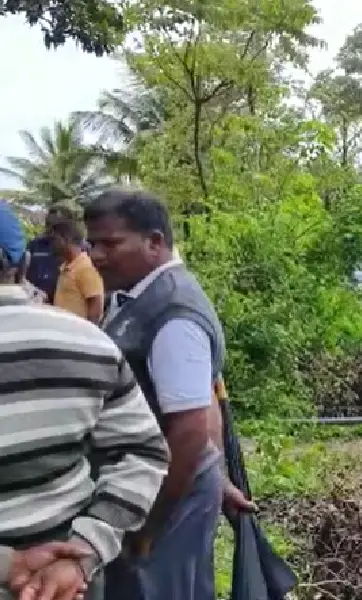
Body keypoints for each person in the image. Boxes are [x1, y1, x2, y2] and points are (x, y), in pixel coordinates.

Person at [84, 189, 253, 600]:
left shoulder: (174, 315)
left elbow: (190, 427)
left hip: (163, 498)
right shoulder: (138, 298)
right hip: (165, 486)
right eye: (92, 243)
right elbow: (200, 402)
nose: (97, 256)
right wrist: (215, 475)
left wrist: (148, 520)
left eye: (111, 243)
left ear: (155, 241)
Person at [0, 201, 168, 600]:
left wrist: (11, 565)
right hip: (68, 585)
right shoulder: (88, 343)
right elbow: (143, 453)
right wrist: (83, 553)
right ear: (22, 263)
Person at [49, 216, 104, 323]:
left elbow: (96, 304)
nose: (52, 244)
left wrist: (88, 334)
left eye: (54, 239)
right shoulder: (66, 267)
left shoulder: (84, 268)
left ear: (66, 239)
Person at [24, 203, 78, 304]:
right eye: (48, 224)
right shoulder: (34, 245)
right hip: (36, 302)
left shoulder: (80, 249)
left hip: (65, 306)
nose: (50, 229)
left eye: (55, 225)